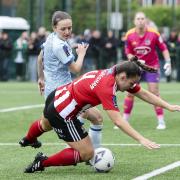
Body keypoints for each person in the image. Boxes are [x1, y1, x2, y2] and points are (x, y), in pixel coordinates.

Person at [22, 59, 180, 173]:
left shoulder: (115, 71)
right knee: (86, 153)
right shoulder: (107, 86)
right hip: (63, 113)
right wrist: (141, 139)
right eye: (132, 83)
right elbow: (118, 121)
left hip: (57, 95)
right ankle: (42, 162)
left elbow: (142, 92)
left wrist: (168, 106)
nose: (132, 87)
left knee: (48, 124)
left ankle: (28, 139)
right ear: (123, 77)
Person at [19, 11, 103, 149]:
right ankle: (94, 154)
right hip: (64, 94)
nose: (67, 31)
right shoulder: (60, 45)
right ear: (54, 28)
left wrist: (41, 78)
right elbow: (75, 69)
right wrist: (81, 54)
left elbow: (40, 58)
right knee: (97, 118)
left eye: (69, 28)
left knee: (46, 124)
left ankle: (28, 138)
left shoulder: (50, 39)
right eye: (63, 29)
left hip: (52, 92)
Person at [114, 12, 172, 130]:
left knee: (154, 91)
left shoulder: (154, 33)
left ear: (146, 21)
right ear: (134, 21)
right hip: (135, 67)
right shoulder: (129, 35)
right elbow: (128, 52)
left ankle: (161, 121)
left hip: (151, 66)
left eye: (142, 18)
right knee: (130, 92)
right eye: (138, 19)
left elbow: (164, 48)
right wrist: (136, 60)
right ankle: (125, 120)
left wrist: (168, 62)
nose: (140, 20)